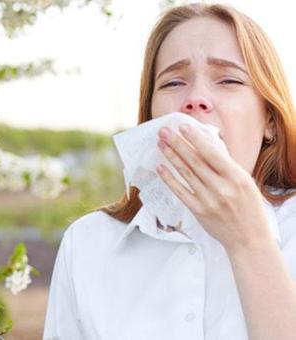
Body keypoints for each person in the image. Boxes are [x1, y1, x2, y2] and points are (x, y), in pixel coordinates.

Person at [43, 2, 296, 340]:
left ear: (270, 121)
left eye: (228, 79)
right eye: (174, 83)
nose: (196, 98)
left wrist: (249, 241)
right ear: (150, 117)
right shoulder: (88, 244)